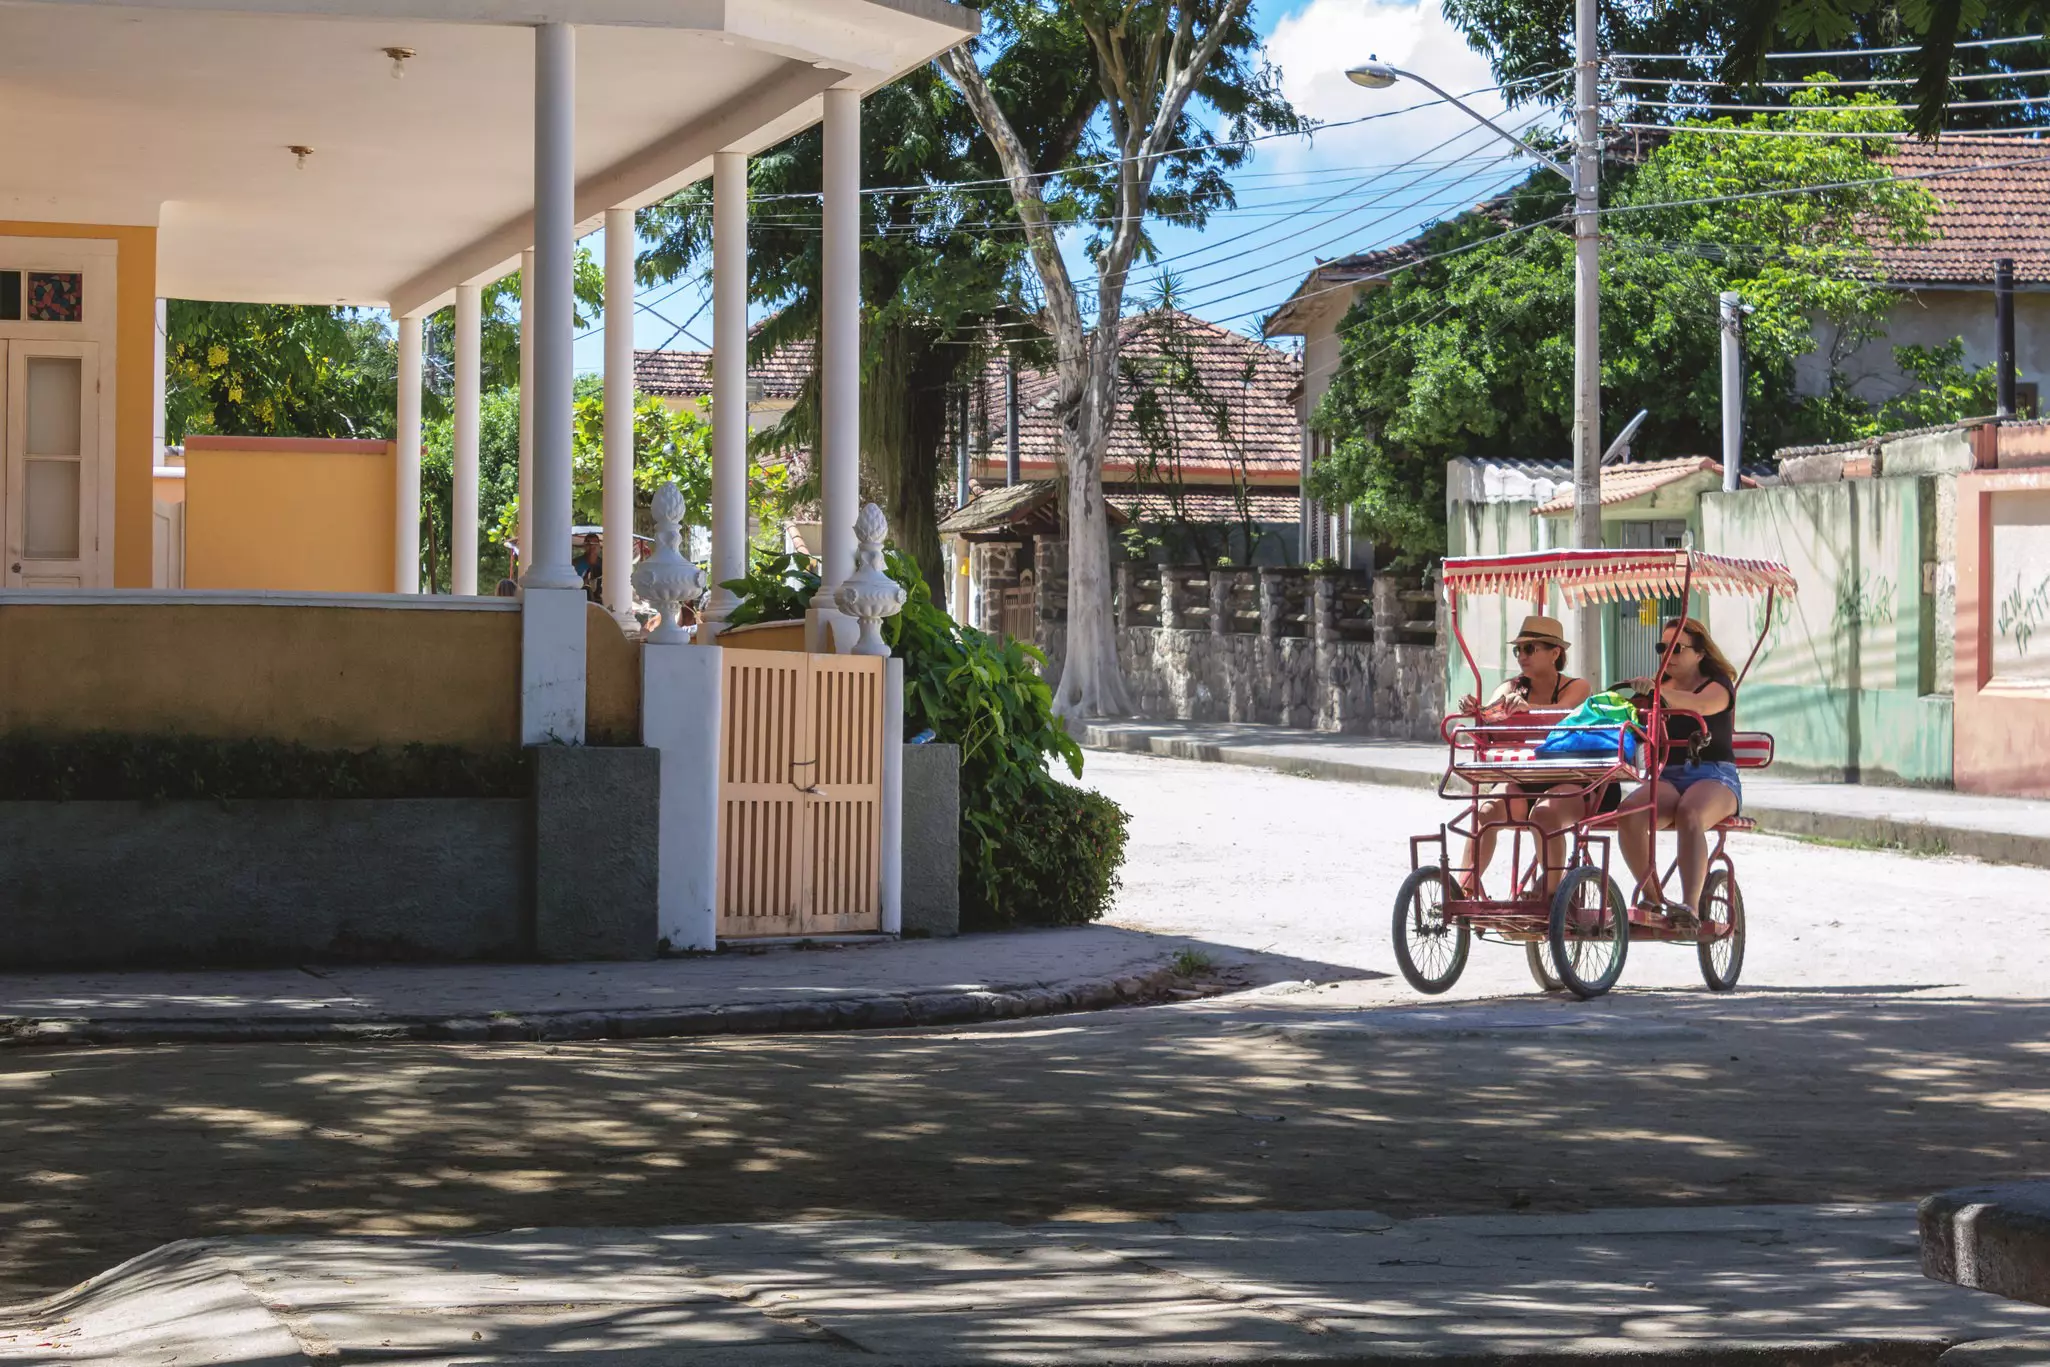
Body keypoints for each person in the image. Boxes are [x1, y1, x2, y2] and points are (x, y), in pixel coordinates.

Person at [1451, 615, 1591, 896]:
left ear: (1555, 653)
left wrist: (1528, 708)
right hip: (1525, 776)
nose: (1521, 656)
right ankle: (1463, 891)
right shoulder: (1512, 686)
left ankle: (1549, 898)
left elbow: (1560, 714)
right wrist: (1478, 711)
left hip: (1574, 778)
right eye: (1518, 650)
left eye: (1530, 649)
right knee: (1486, 811)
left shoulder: (1578, 686)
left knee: (1544, 814)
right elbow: (1492, 712)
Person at [1614, 616, 1742, 921]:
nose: (1666, 655)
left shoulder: (1718, 685)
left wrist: (1659, 691)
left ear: (1699, 654)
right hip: (1669, 776)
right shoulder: (1660, 688)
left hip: (1715, 775)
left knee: (1690, 812)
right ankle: (1654, 899)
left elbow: (1700, 705)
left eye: (1676, 648)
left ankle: (1690, 907)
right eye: (1662, 647)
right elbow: (1630, 724)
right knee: (1628, 814)